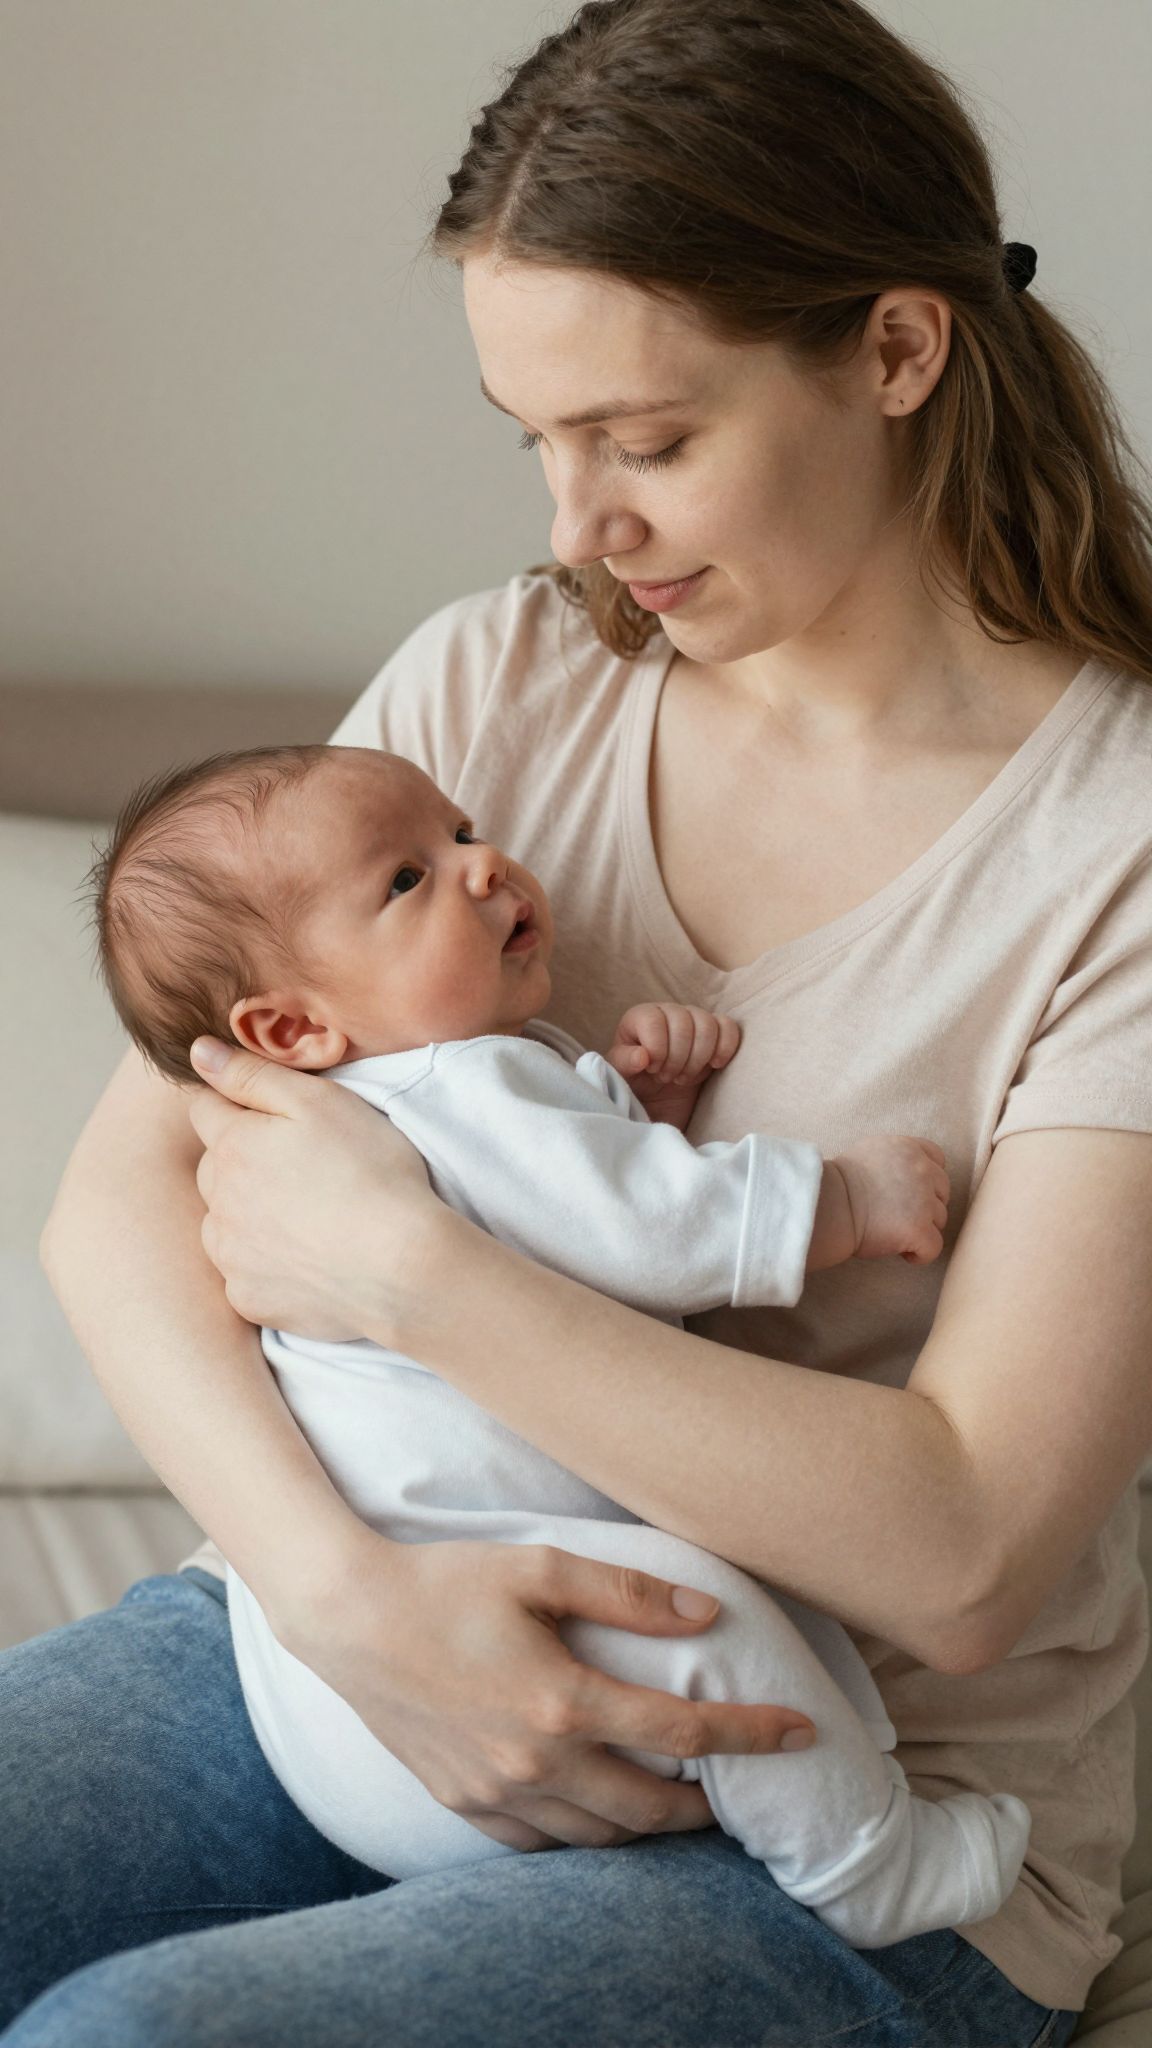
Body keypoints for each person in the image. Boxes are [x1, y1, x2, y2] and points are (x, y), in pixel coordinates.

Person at [5, 0, 1151, 2040]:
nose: (575, 527)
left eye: (649, 439)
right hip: (351, 1625)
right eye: (534, 440)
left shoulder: (1115, 842)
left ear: (896, 352)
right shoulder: (490, 692)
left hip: (871, 1817)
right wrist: (362, 1610)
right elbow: (116, 1209)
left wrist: (410, 1266)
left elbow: (966, 1545)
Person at [88, 738, 1028, 1946]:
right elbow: (641, 1224)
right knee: (697, 1621)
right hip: (457, 1648)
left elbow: (565, 1227)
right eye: (406, 881)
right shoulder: (459, 1088)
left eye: (464, 830)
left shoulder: (402, 1099)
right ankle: (869, 1860)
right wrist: (843, 1201)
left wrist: (651, 1111)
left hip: (336, 1698)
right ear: (291, 1025)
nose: (481, 866)